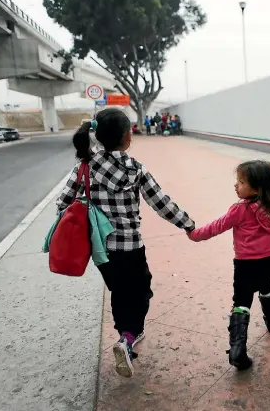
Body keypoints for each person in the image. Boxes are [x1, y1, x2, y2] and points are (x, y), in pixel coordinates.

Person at [57, 108, 196, 378]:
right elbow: (161, 204)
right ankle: (128, 338)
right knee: (141, 291)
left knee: (119, 292)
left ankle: (125, 333)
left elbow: (62, 204)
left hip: (100, 249)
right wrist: (187, 224)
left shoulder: (84, 166)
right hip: (131, 246)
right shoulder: (135, 169)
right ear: (127, 137)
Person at [187, 160, 270, 370]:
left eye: (241, 181)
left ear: (258, 186)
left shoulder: (239, 210)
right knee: (267, 289)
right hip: (268, 261)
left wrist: (195, 235)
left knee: (241, 302)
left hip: (244, 265)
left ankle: (237, 349)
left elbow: (216, 226)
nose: (236, 185)